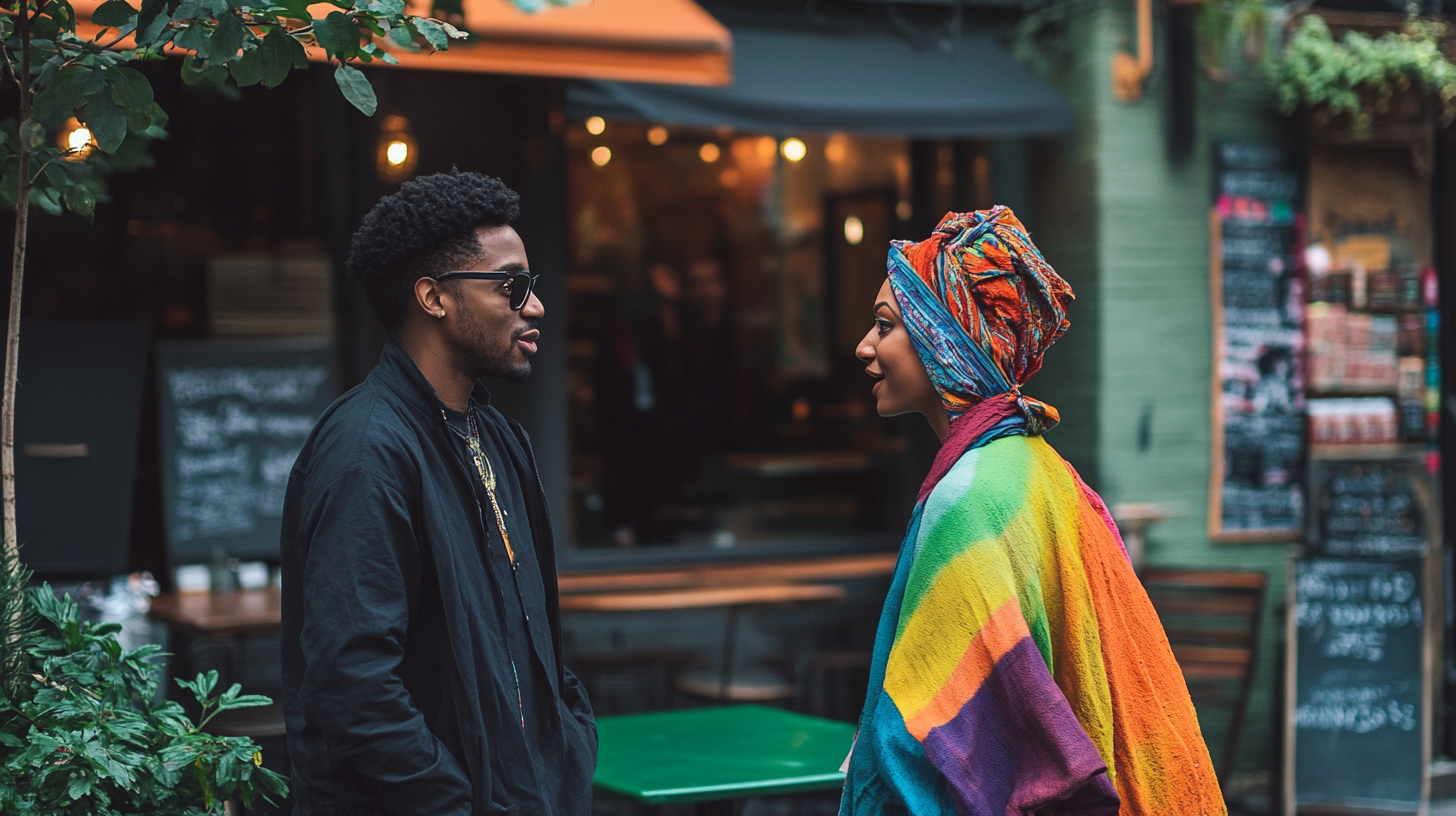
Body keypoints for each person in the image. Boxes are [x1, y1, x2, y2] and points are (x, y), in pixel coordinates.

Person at [843, 208, 1225, 816]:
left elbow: (932, 737)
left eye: (885, 325)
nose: (865, 347)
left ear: (944, 339)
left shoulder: (966, 498)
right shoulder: (1042, 469)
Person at [279, 171, 596, 816]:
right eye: (513, 284)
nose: (534, 305)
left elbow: (529, 642)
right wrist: (450, 798)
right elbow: (351, 681)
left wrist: (568, 741)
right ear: (433, 297)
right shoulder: (368, 450)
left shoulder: (501, 438)